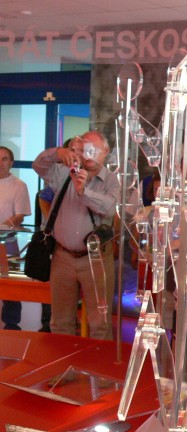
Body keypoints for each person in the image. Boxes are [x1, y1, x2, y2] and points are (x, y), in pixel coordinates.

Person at [32, 131, 120, 340]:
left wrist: (83, 192)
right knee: (60, 322)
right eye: (83, 149)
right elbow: (39, 166)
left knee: (99, 323)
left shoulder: (112, 180)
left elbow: (109, 208)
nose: (88, 154)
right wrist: (57, 152)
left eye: (93, 149)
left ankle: (97, 362)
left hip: (97, 258)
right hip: (62, 256)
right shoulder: (65, 173)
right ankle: (64, 362)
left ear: (105, 152)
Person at [0, 145, 31, 330]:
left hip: (9, 240)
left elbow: (20, 215)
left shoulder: (19, 185)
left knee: (10, 285)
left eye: (4, 159)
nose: (0, 163)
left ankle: (11, 325)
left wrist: (2, 228)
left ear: (11, 162)